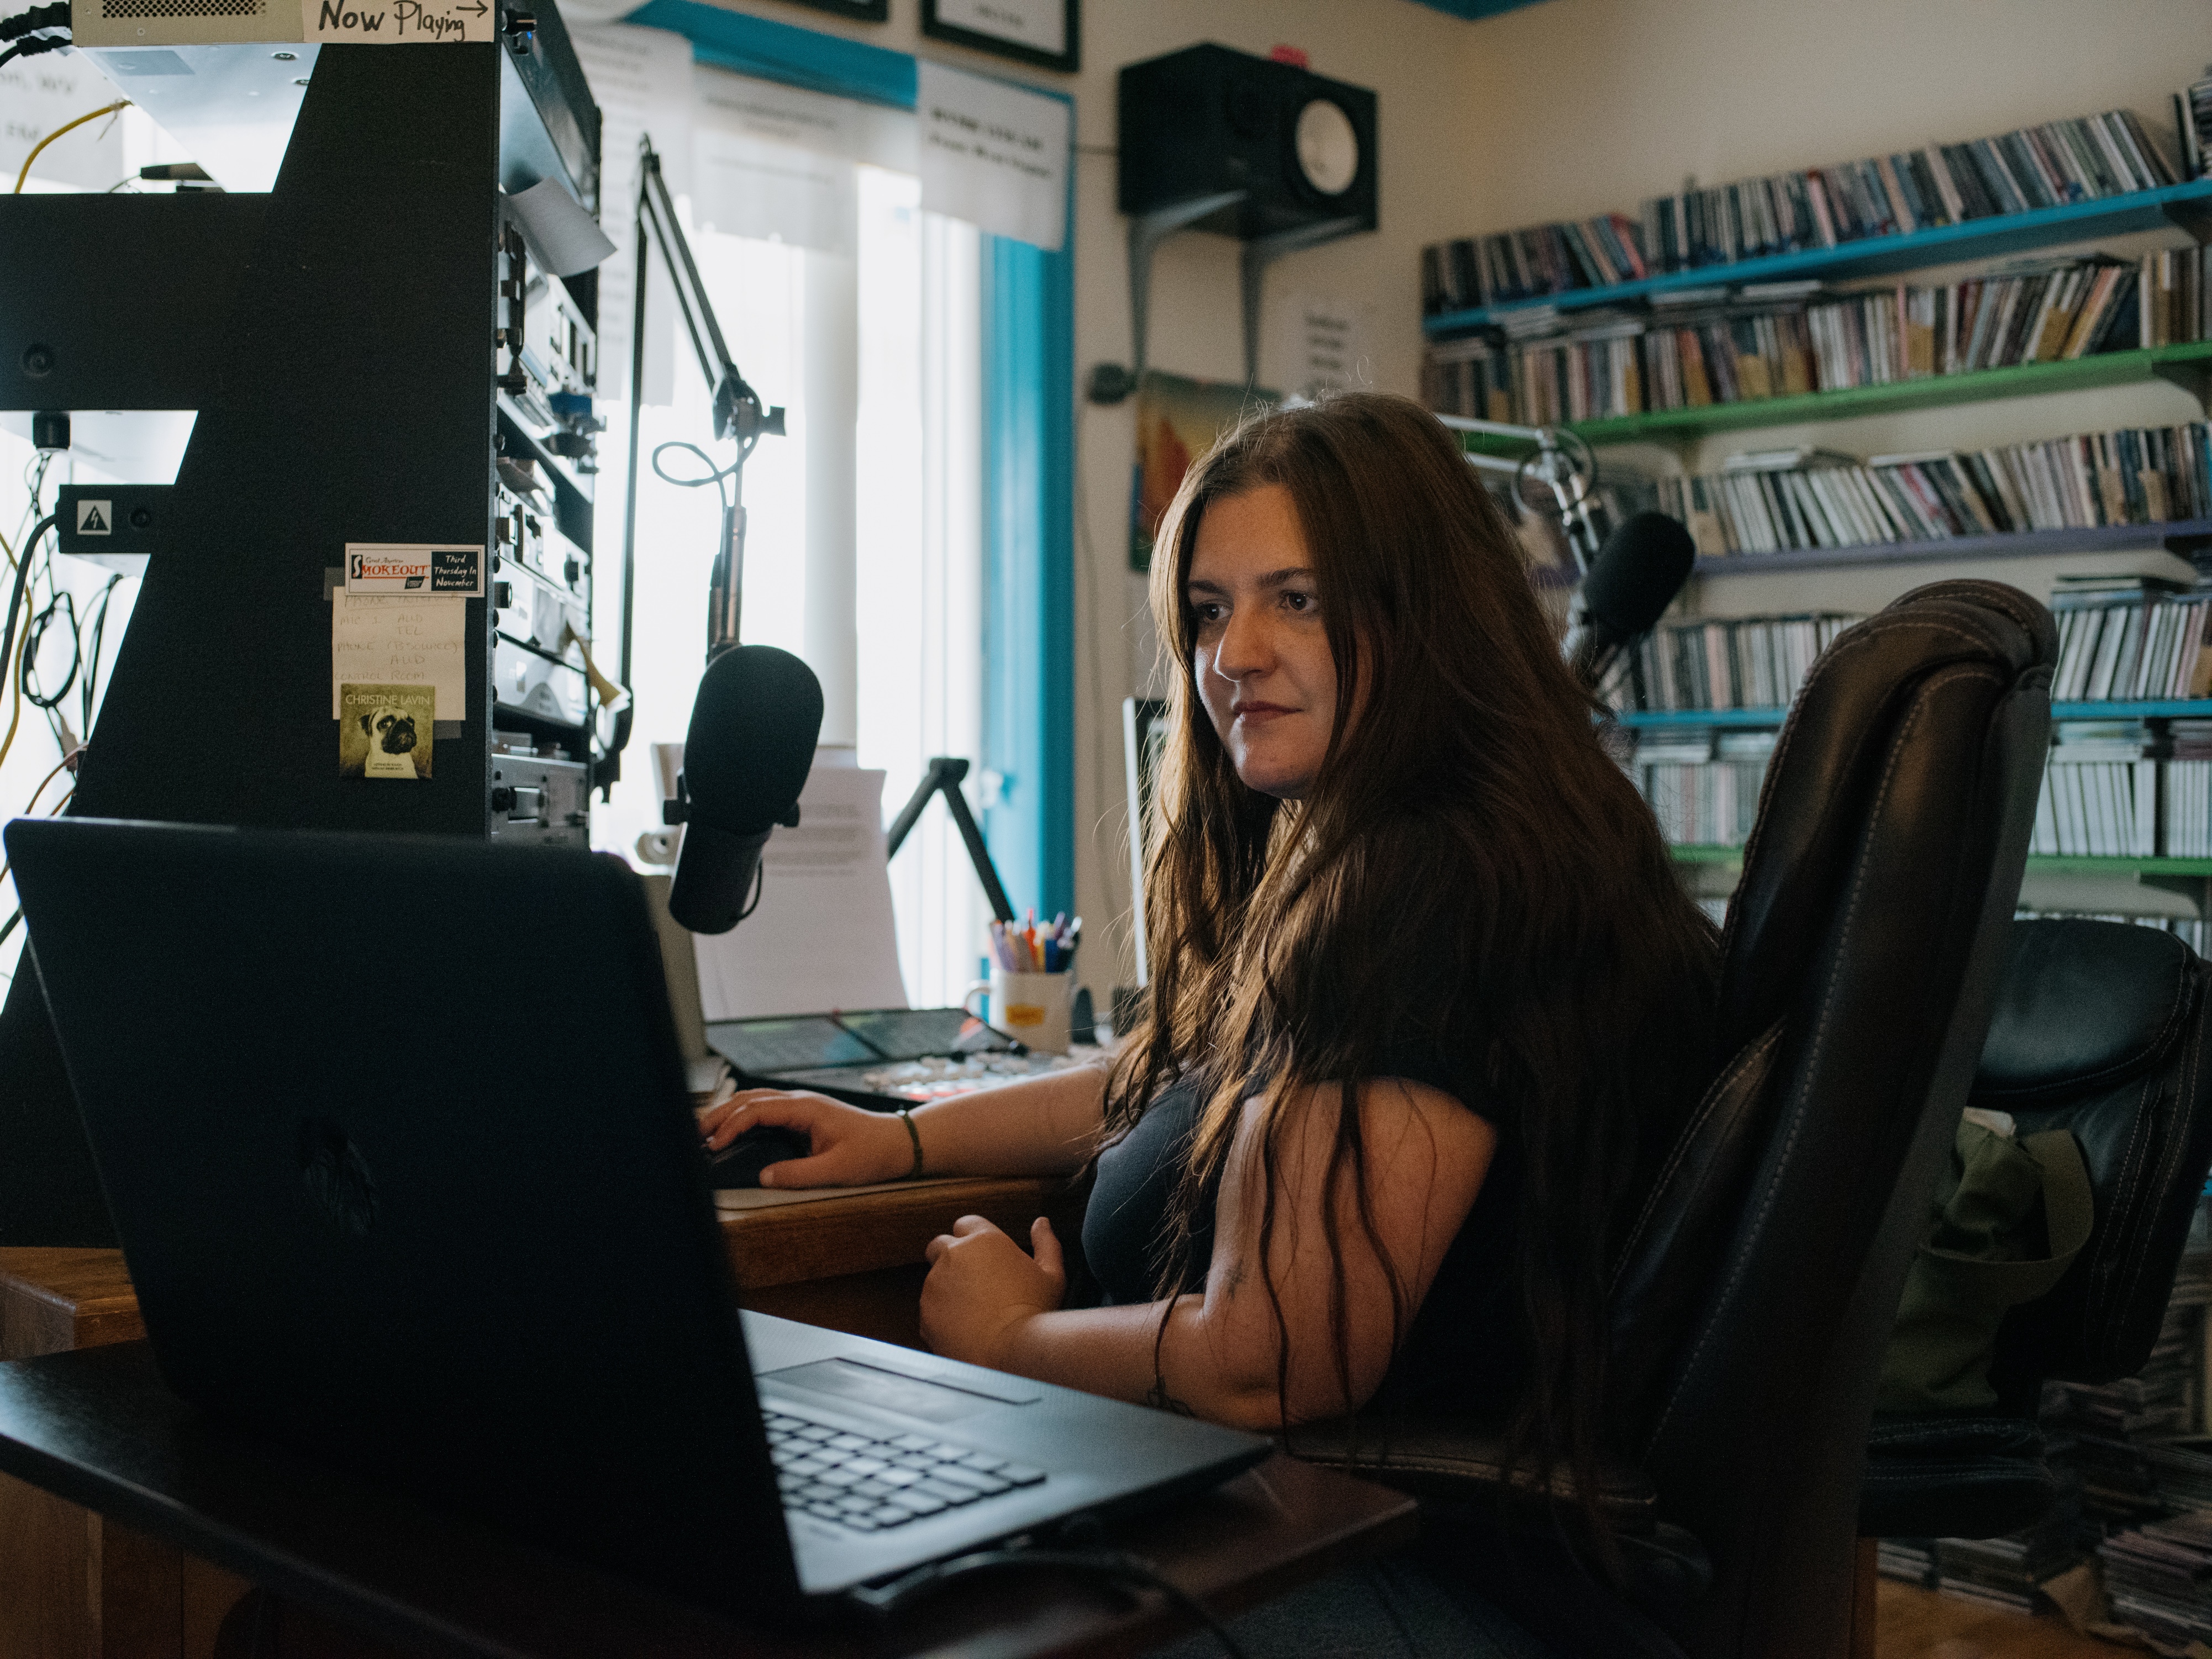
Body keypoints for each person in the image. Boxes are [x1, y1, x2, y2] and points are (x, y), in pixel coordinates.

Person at [701, 391, 1721, 1654]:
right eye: (1207, 609)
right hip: (1403, 1533)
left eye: (1295, 597)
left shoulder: (1428, 889)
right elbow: (1191, 1071)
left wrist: (1011, 1337)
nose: (1233, 652)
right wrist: (902, 1139)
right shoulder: (1457, 845)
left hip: (1437, 1568)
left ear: (1425, 610)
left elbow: (1273, 1359)